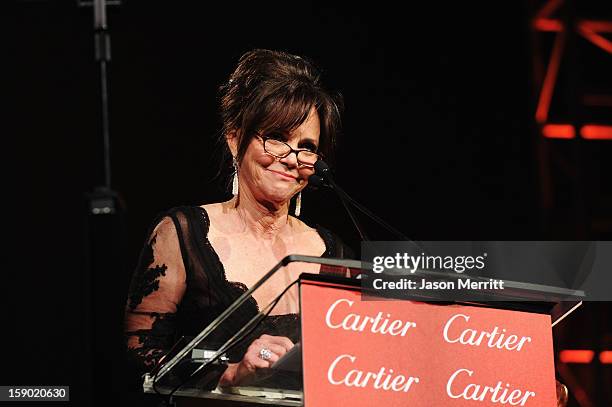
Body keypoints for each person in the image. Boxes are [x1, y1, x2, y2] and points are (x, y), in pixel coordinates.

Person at [124, 49, 353, 390]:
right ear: (235, 139)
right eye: (277, 137)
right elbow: (139, 352)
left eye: (306, 146)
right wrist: (231, 374)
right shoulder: (183, 233)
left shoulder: (334, 252)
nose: (292, 158)